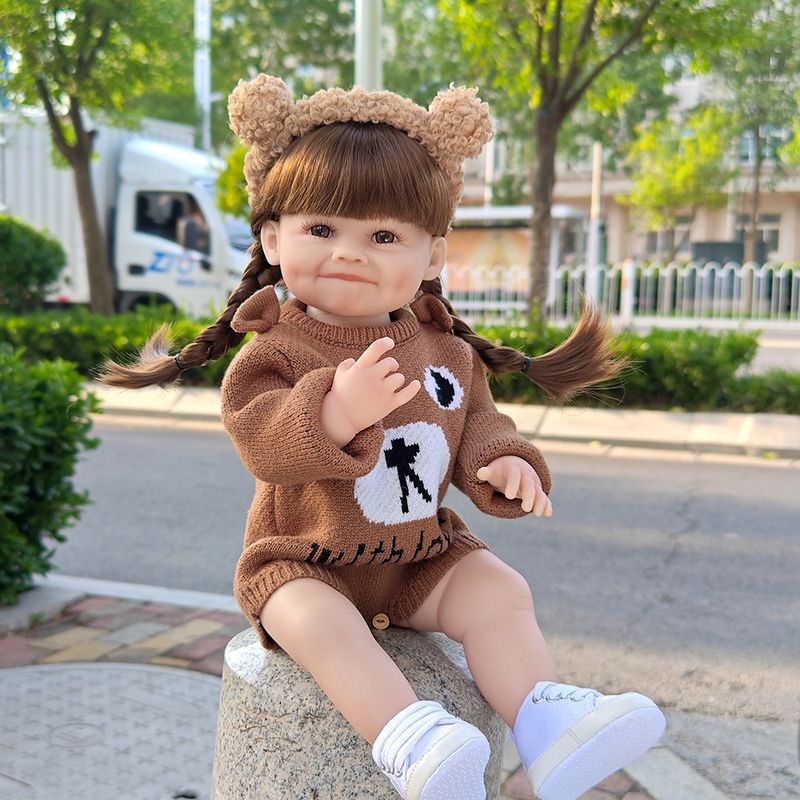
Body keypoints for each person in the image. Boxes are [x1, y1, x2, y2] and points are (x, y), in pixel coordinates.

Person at [98, 75, 665, 800]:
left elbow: (478, 424)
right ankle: (410, 736)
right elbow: (261, 437)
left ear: (433, 256)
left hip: (418, 560)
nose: (350, 253)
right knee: (317, 623)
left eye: (385, 236)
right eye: (322, 230)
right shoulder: (273, 349)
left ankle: (545, 723)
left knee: (499, 590)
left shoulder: (446, 352)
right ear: (273, 238)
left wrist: (504, 463)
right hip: (304, 560)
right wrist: (336, 411)